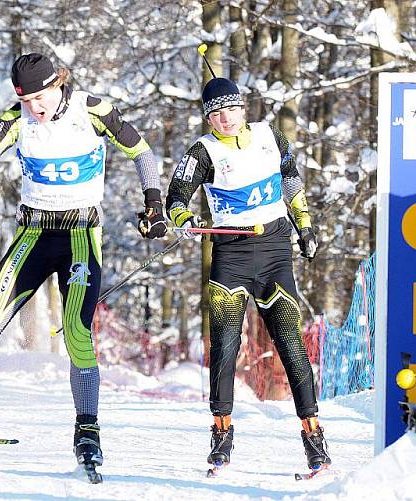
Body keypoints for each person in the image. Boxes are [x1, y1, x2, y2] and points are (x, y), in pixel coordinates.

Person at [0, 53, 168, 470]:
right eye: (26, 99)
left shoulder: (93, 110)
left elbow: (141, 152)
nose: (35, 107)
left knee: (76, 331)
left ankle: (87, 430)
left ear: (59, 84)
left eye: (40, 97)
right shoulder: (16, 118)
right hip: (33, 233)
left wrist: (155, 203)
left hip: (80, 235)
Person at [165, 77, 331, 472]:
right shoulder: (202, 152)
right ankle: (221, 434)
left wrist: (304, 226)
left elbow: (291, 180)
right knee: (223, 346)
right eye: (215, 113)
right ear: (208, 118)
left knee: (291, 346)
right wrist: (183, 218)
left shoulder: (269, 136)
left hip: (275, 252)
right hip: (232, 256)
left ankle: (314, 438)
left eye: (231, 109)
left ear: (243, 108)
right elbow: (175, 197)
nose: (225, 118)